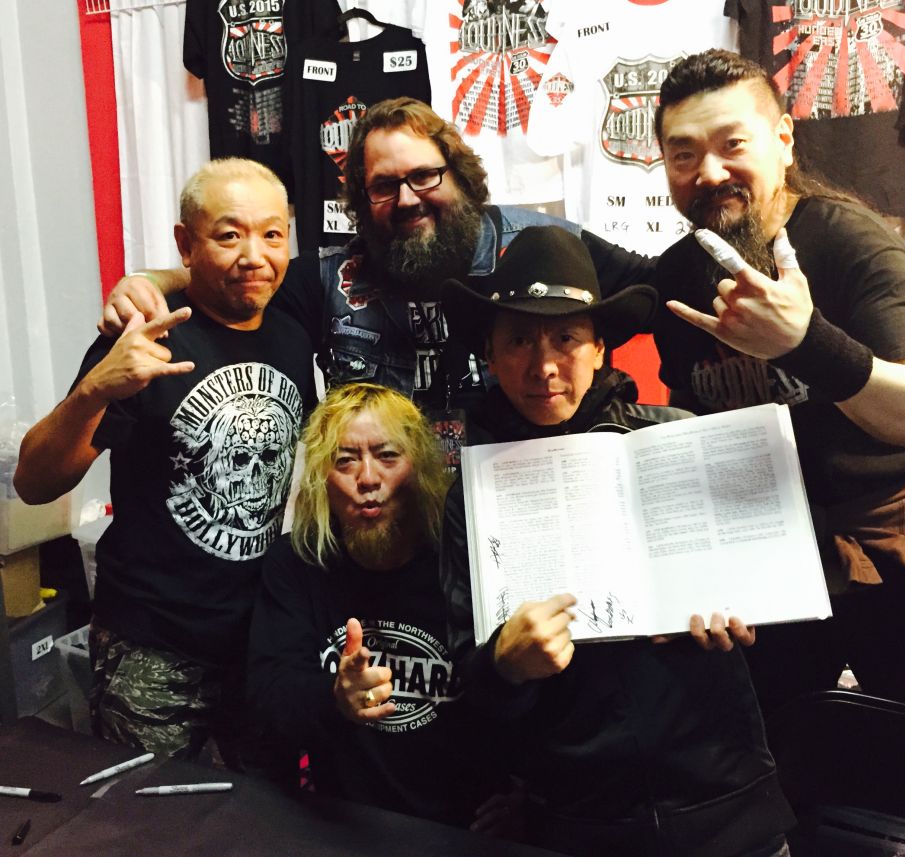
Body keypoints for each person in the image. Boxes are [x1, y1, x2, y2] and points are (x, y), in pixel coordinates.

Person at [650, 49, 905, 853]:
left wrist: (808, 343)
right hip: (771, 545)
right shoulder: (677, 276)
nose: (708, 171)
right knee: (762, 763)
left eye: (732, 143)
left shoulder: (846, 239)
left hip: (894, 535)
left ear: (784, 140)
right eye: (683, 153)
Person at [439, 226, 794, 857]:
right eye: (518, 339)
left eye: (566, 338)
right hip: (576, 821)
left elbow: (772, 594)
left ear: (601, 348)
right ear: (488, 354)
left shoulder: (677, 438)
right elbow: (470, 685)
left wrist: (746, 613)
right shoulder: (471, 493)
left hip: (727, 806)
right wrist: (502, 666)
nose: (544, 366)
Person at [99, 97, 655, 450]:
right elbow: (241, 279)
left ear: (460, 176)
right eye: (385, 186)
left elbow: (657, 287)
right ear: (362, 203)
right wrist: (154, 280)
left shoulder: (540, 246)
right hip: (382, 536)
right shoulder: (328, 278)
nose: (407, 199)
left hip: (510, 513)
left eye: (424, 176)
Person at [14, 158, 315, 762]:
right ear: (186, 243)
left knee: (266, 808)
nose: (254, 255)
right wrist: (95, 390)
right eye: (228, 235)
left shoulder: (292, 336)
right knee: (149, 809)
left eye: (272, 234)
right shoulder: (143, 338)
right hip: (153, 644)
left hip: (259, 635)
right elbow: (33, 482)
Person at [247, 383, 515, 832]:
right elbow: (269, 696)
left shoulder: (467, 556)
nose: (367, 478)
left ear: (419, 468)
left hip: (461, 829)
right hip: (345, 822)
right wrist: (335, 698)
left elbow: (514, 690)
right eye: (345, 460)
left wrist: (528, 794)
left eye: (387, 456)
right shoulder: (298, 562)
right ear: (321, 478)